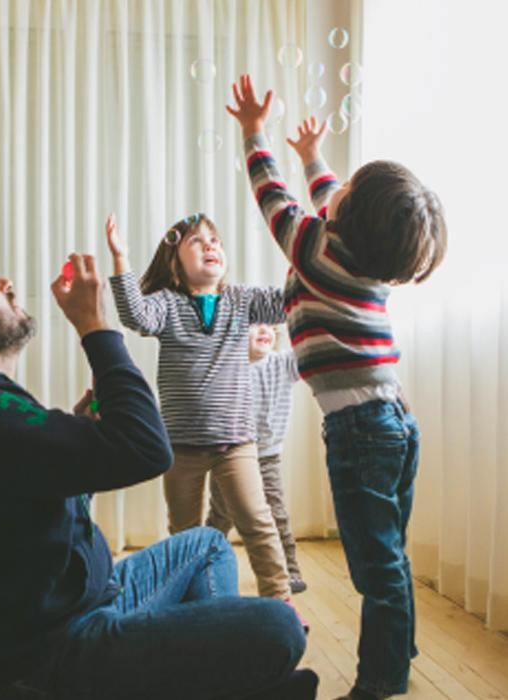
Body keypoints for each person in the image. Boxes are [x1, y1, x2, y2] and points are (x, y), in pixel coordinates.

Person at [0, 241, 318, 700]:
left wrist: (80, 435)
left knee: (207, 546)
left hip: (89, 601)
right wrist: (94, 325)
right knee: (280, 627)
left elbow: (29, 500)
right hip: (51, 657)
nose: (5, 284)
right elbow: (147, 448)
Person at [226, 74, 447, 700]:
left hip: (361, 430)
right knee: (390, 557)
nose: (333, 190)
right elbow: (330, 197)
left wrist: (255, 134)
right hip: (393, 422)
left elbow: (275, 199)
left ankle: (381, 681)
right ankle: (398, 646)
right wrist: (314, 157)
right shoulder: (361, 256)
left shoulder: (317, 251)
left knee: (375, 568)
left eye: (344, 192)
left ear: (346, 219)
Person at [106, 212, 298, 605]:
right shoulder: (165, 304)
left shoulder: (241, 300)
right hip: (181, 447)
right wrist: (121, 260)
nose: (211, 245)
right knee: (185, 533)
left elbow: (287, 305)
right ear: (175, 264)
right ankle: (192, 606)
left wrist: (305, 256)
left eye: (216, 240)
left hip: (237, 442)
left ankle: (281, 603)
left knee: (258, 523)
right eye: (197, 241)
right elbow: (134, 316)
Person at [208, 323, 307, 594]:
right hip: (229, 456)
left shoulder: (283, 363)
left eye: (268, 326)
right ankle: (202, 566)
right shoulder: (228, 367)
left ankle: (289, 570)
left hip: (267, 456)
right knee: (221, 514)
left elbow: (306, 348)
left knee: (276, 513)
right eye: (253, 326)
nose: (263, 330)